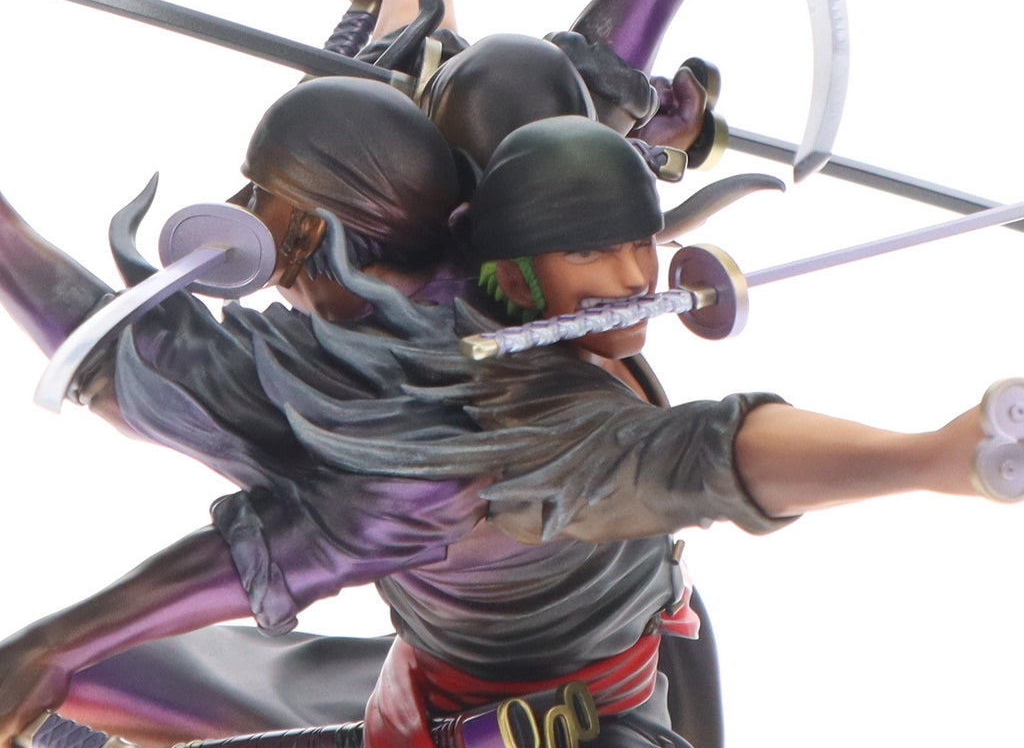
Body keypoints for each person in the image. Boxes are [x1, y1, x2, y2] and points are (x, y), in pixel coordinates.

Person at [0, 115, 999, 748]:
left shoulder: (492, 430)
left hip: (589, 719)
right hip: (432, 693)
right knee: (97, 693)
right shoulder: (405, 334)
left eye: (639, 244)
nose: (634, 279)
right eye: (596, 253)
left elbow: (720, 452)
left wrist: (931, 455)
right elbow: (124, 362)